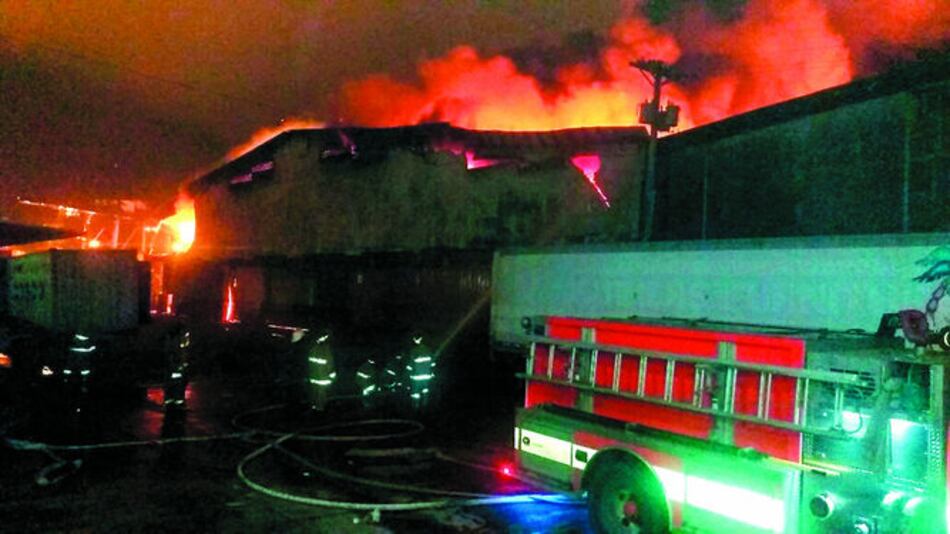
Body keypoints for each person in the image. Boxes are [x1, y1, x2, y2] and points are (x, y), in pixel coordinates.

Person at [304, 330, 335, 411]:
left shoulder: (312, 348)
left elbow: (310, 363)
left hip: (314, 377)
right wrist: (332, 376)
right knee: (322, 395)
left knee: (314, 393)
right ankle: (320, 409)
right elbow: (329, 364)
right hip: (323, 377)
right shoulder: (325, 349)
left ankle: (314, 407)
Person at [163, 324, 190, 410]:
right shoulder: (178, 341)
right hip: (177, 364)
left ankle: (170, 401)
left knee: (173, 382)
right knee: (178, 382)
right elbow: (180, 352)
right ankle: (178, 402)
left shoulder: (171, 339)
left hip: (175, 364)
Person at [405, 335, 436, 410]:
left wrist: (406, 375)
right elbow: (433, 364)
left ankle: (415, 408)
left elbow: (410, 366)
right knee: (425, 391)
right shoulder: (429, 350)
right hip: (427, 377)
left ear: (418, 339)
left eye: (415, 339)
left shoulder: (414, 351)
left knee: (415, 394)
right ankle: (426, 407)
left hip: (416, 377)